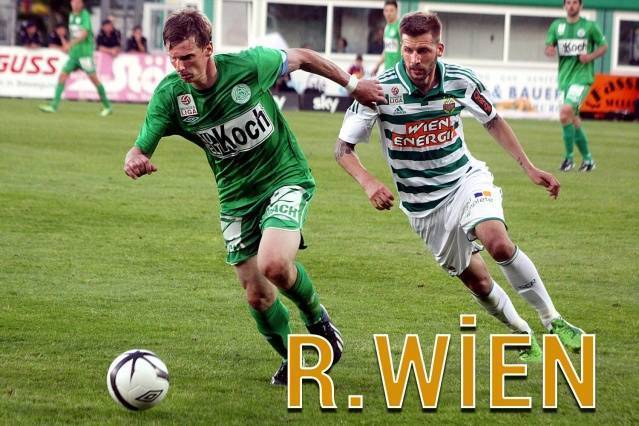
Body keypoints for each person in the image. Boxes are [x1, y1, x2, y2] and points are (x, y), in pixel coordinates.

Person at [122, 9, 385, 385]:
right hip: (235, 198)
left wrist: (353, 85)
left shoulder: (249, 66)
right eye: (173, 58)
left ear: (208, 49)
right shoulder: (170, 96)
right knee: (257, 296)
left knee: (274, 264)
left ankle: (318, 321)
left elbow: (304, 57)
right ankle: (296, 359)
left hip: (284, 177)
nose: (180, 66)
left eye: (188, 57)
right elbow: (138, 149)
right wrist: (134, 160)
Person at [335, 12, 585, 362]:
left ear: (439, 49)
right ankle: (522, 334)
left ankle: (552, 319)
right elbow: (342, 149)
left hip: (465, 181)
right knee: (478, 282)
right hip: (424, 208)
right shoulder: (379, 90)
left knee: (497, 242)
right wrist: (368, 181)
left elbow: (493, 120)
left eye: (423, 51)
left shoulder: (460, 80)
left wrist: (528, 167)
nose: (414, 59)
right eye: (408, 50)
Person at [545, 0, 607, 172]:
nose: (571, 5)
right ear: (564, 6)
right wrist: (549, 50)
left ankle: (568, 159)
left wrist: (590, 56)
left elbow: (604, 46)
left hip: (582, 78)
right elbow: (549, 46)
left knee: (565, 112)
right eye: (568, 2)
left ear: (581, 6)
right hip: (564, 79)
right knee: (571, 118)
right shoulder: (557, 26)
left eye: (574, 2)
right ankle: (588, 161)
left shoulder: (589, 26)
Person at [39, 0, 112, 116]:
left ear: (81, 4)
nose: (75, 4)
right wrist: (70, 46)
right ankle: (53, 106)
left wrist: (70, 44)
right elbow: (74, 34)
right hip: (74, 55)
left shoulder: (84, 15)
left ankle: (107, 106)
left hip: (84, 55)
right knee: (62, 76)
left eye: (77, 2)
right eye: (73, 2)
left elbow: (84, 34)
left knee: (94, 79)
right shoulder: (71, 15)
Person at [372, 0, 401, 75]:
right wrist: (377, 66)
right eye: (386, 10)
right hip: (387, 69)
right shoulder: (386, 28)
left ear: (396, 11)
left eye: (391, 10)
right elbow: (386, 50)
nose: (388, 13)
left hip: (398, 70)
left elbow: (406, 48)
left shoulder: (400, 26)